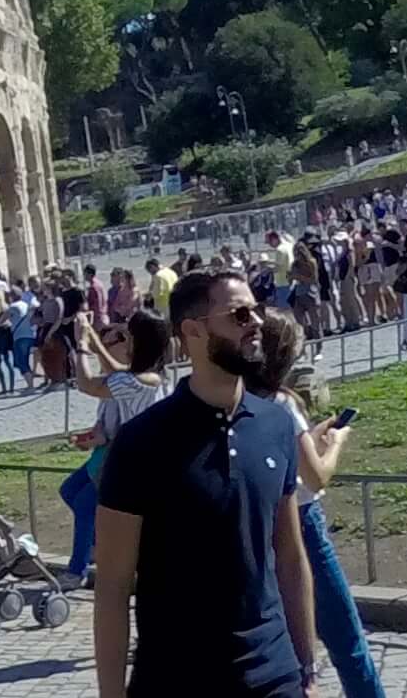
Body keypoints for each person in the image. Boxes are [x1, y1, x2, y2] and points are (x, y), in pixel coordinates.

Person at [93, 268, 317, 698]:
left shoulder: (275, 424)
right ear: (193, 331)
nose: (256, 323)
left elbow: (289, 555)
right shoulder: (142, 443)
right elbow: (113, 587)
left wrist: (306, 670)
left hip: (276, 676)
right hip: (177, 679)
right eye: (239, 315)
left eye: (257, 312)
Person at [247, 312, 384, 698]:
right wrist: (336, 442)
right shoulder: (281, 403)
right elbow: (315, 477)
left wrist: (311, 434)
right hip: (302, 524)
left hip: (259, 526)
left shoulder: (242, 400)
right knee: (347, 639)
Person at [60, 311, 168, 585]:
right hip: (126, 459)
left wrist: (82, 344)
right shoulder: (145, 376)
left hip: (132, 466)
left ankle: (81, 568)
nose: (125, 339)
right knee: (74, 493)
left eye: (128, 335)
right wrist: (90, 334)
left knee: (91, 508)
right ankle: (99, 551)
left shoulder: (138, 381)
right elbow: (112, 368)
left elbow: (87, 384)